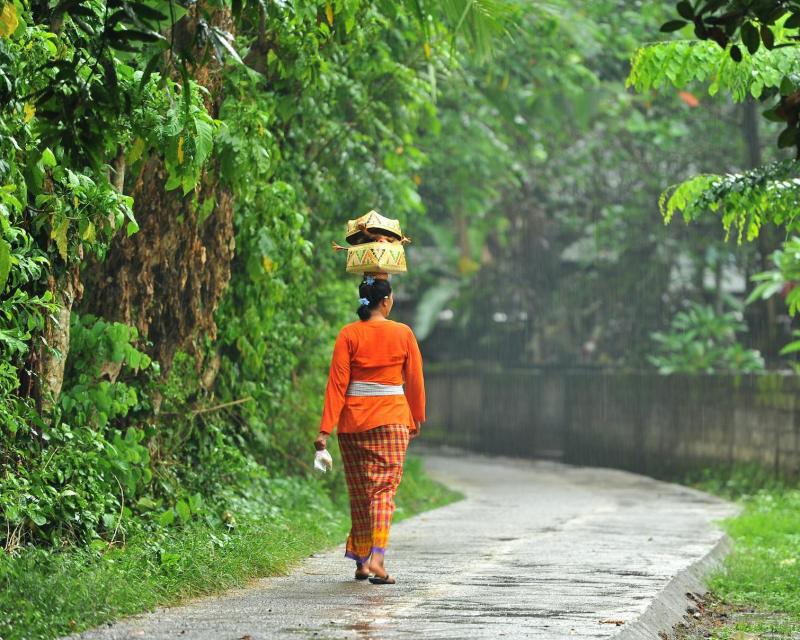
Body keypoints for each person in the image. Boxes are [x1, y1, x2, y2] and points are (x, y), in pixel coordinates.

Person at [315, 275, 425, 585]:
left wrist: (325, 429)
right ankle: (377, 558)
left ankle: (362, 562)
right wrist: (416, 416)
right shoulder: (403, 333)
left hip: (352, 423)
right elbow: (414, 380)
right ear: (386, 301)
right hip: (391, 420)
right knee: (383, 492)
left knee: (360, 492)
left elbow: (337, 384)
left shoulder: (349, 334)